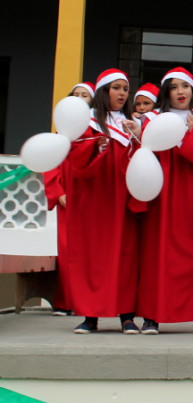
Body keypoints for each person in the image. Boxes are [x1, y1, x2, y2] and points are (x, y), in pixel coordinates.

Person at [136, 68, 193, 335]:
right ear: (166, 93)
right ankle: (152, 316)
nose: (180, 92)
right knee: (157, 254)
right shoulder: (151, 119)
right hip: (160, 194)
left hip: (191, 195)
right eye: (174, 87)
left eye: (185, 86)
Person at [65, 69, 142, 334]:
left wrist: (139, 138)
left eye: (125, 89)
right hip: (94, 199)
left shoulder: (131, 123)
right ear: (103, 91)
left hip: (123, 199)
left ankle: (127, 316)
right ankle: (90, 316)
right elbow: (75, 159)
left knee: (125, 256)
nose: (122, 93)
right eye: (116, 88)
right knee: (93, 256)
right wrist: (94, 148)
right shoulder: (87, 121)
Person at [44, 81, 96, 316]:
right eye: (76, 94)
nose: (80, 98)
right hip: (68, 201)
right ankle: (66, 302)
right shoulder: (60, 135)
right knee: (67, 253)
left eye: (85, 95)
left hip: (92, 201)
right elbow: (50, 166)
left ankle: (89, 302)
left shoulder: (96, 131)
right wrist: (59, 192)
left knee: (92, 252)